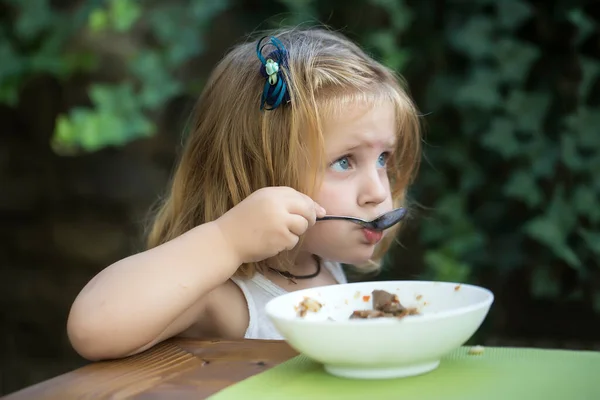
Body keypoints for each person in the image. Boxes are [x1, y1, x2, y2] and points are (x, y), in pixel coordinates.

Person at [66, 27, 422, 361]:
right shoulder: (229, 297)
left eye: (382, 159)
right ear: (258, 171)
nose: (378, 192)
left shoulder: (323, 260)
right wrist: (226, 240)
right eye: (344, 162)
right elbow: (92, 327)